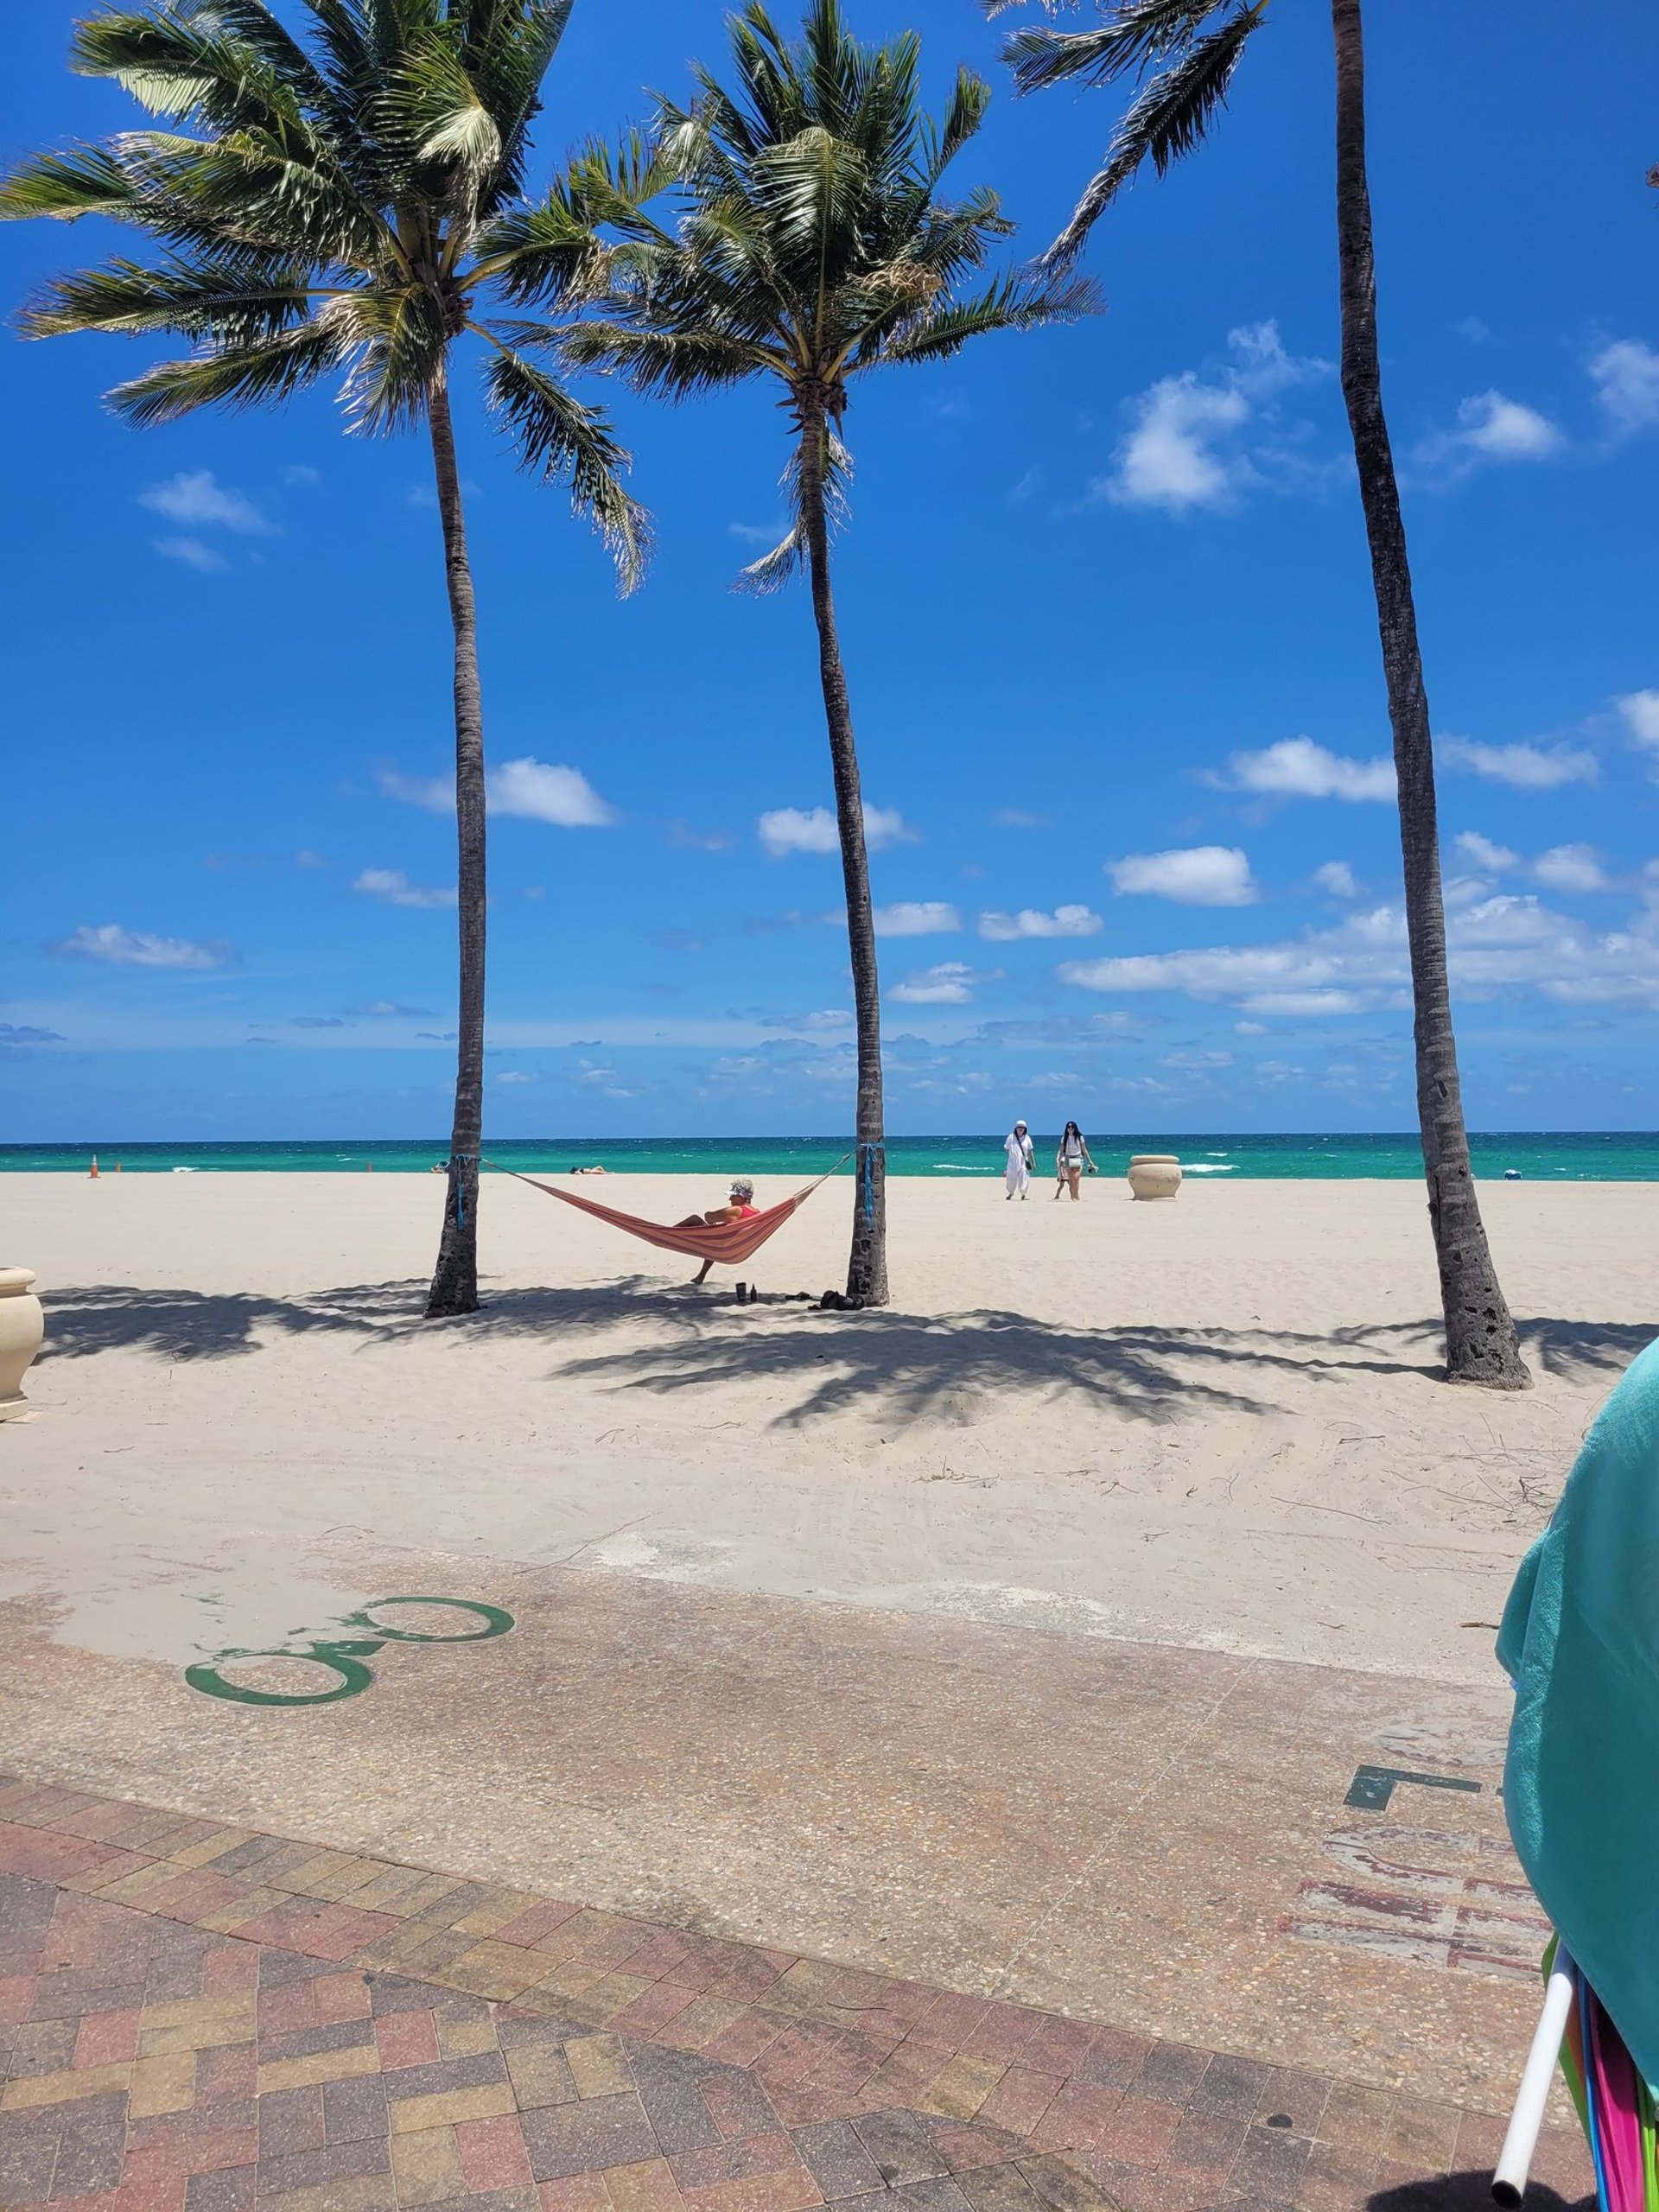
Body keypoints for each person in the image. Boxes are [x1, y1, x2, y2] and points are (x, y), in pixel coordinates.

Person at [678, 1176, 760, 1284]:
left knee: (695, 1219)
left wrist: (711, 1221)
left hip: (724, 1245)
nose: (730, 1199)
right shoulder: (758, 1214)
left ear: (741, 1197)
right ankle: (701, 1276)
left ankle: (667, 1233)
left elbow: (709, 1216)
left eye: (733, 1196)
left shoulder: (737, 1210)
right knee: (716, 1238)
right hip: (737, 1247)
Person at [1053, 1121, 1096, 1201]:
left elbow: (1084, 1149)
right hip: (1068, 1158)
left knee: (1076, 1178)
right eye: (1069, 1127)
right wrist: (1058, 1158)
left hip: (1078, 1158)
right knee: (1071, 1179)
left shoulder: (1080, 1137)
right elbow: (1061, 1149)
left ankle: (1076, 1195)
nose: (1070, 1128)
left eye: (1072, 1127)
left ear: (1075, 1128)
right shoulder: (1064, 1138)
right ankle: (1074, 1196)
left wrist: (1090, 1161)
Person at [1003, 1122, 1035, 1201]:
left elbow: (1030, 1151)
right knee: (1011, 1178)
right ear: (1016, 1128)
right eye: (1019, 1127)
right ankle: (1011, 1193)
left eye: (1023, 1127)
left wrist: (1033, 1164)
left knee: (1024, 1178)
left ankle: (1023, 1194)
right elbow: (1006, 1148)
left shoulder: (1027, 1138)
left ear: (1025, 1129)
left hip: (1023, 1162)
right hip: (1013, 1162)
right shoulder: (1011, 1137)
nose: (1021, 1129)